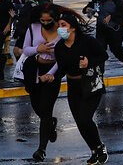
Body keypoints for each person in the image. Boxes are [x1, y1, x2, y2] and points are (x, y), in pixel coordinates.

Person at [42, 12, 109, 165]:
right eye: (59, 26)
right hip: (73, 86)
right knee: (80, 122)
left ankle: (100, 146)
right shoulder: (60, 47)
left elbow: (103, 56)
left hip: (90, 84)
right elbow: (61, 69)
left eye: (63, 25)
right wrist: (51, 76)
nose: (60, 29)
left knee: (86, 118)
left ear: (72, 28)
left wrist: (89, 62)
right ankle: (93, 150)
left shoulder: (86, 41)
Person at [17, 4, 63, 162]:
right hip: (34, 71)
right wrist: (39, 50)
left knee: (46, 109)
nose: (45, 23)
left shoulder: (62, 30)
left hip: (53, 73)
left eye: (49, 20)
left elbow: (65, 55)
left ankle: (41, 149)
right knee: (37, 106)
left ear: (55, 19)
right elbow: (26, 50)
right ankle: (51, 123)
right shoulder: (33, 28)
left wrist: (51, 72)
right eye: (42, 20)